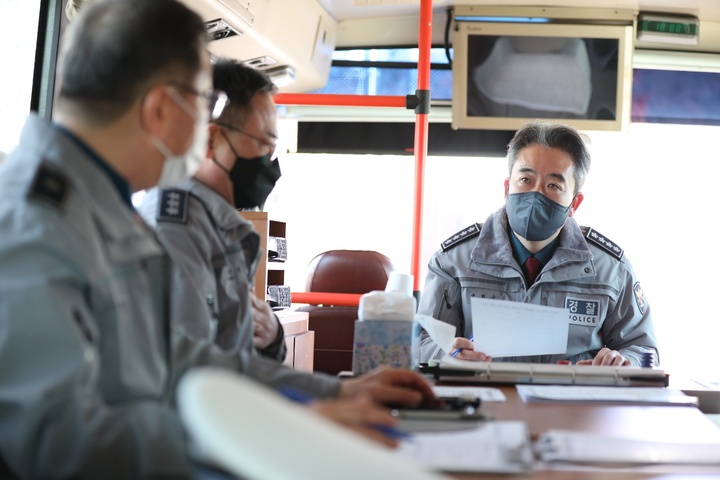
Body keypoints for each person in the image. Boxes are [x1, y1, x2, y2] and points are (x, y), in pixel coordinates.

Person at [0, 1, 434, 478]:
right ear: (160, 109)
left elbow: (177, 356)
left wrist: (333, 392)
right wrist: (274, 429)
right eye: (203, 100)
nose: (206, 128)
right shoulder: (35, 224)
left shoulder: (103, 211)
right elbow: (51, 440)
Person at [418, 120, 658, 367]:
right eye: (525, 179)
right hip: (483, 401)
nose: (536, 194)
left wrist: (622, 361)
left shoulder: (611, 270)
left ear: (574, 204)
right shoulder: (453, 261)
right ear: (506, 187)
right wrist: (445, 353)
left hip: (572, 402)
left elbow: (643, 349)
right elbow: (420, 341)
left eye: (553, 185)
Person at [138, 58, 286, 360]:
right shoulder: (174, 227)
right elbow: (195, 366)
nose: (270, 161)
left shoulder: (221, 227)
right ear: (213, 138)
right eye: (264, 144)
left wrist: (274, 336)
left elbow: (238, 347)